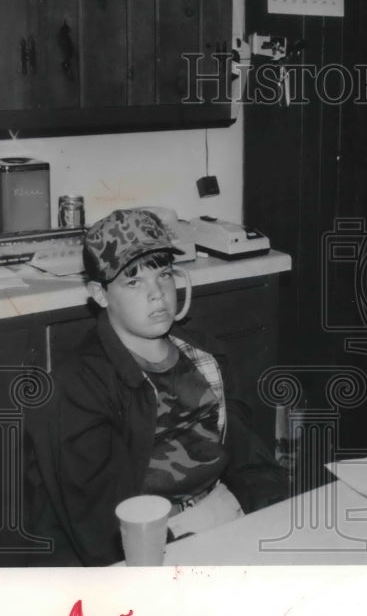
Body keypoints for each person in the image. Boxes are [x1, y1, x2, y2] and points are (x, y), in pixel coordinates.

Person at [25, 208, 288, 566]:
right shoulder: (81, 387)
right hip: (148, 537)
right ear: (99, 295)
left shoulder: (204, 355)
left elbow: (249, 460)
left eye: (163, 275)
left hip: (222, 507)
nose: (158, 294)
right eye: (133, 282)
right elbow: (95, 521)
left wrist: (273, 517)